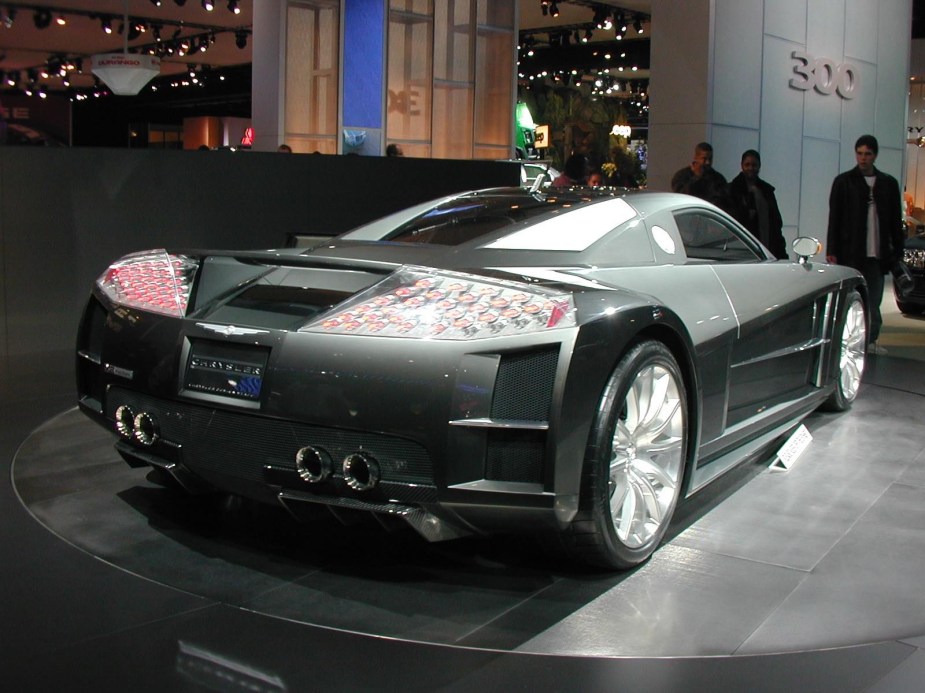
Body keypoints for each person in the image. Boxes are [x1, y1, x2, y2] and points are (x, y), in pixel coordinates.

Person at [826, 134, 905, 355]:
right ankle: (848, 341)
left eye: (867, 154)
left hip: (877, 256)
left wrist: (897, 250)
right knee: (851, 299)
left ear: (875, 155)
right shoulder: (844, 182)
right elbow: (835, 217)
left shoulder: (888, 184)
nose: (863, 158)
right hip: (850, 252)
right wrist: (832, 249)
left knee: (873, 300)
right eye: (859, 153)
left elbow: (894, 221)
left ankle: (869, 341)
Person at [728, 149, 787, 259]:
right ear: (742, 166)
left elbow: (776, 224)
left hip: (766, 249)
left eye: (754, 165)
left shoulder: (767, 191)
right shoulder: (731, 191)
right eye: (747, 164)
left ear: (759, 166)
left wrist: (781, 252)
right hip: (739, 252)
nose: (751, 168)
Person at [671, 141, 732, 210]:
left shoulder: (718, 179)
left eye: (710, 159)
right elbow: (681, 197)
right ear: (696, 157)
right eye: (704, 158)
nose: (708, 162)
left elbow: (723, 201)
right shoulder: (681, 176)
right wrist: (697, 178)